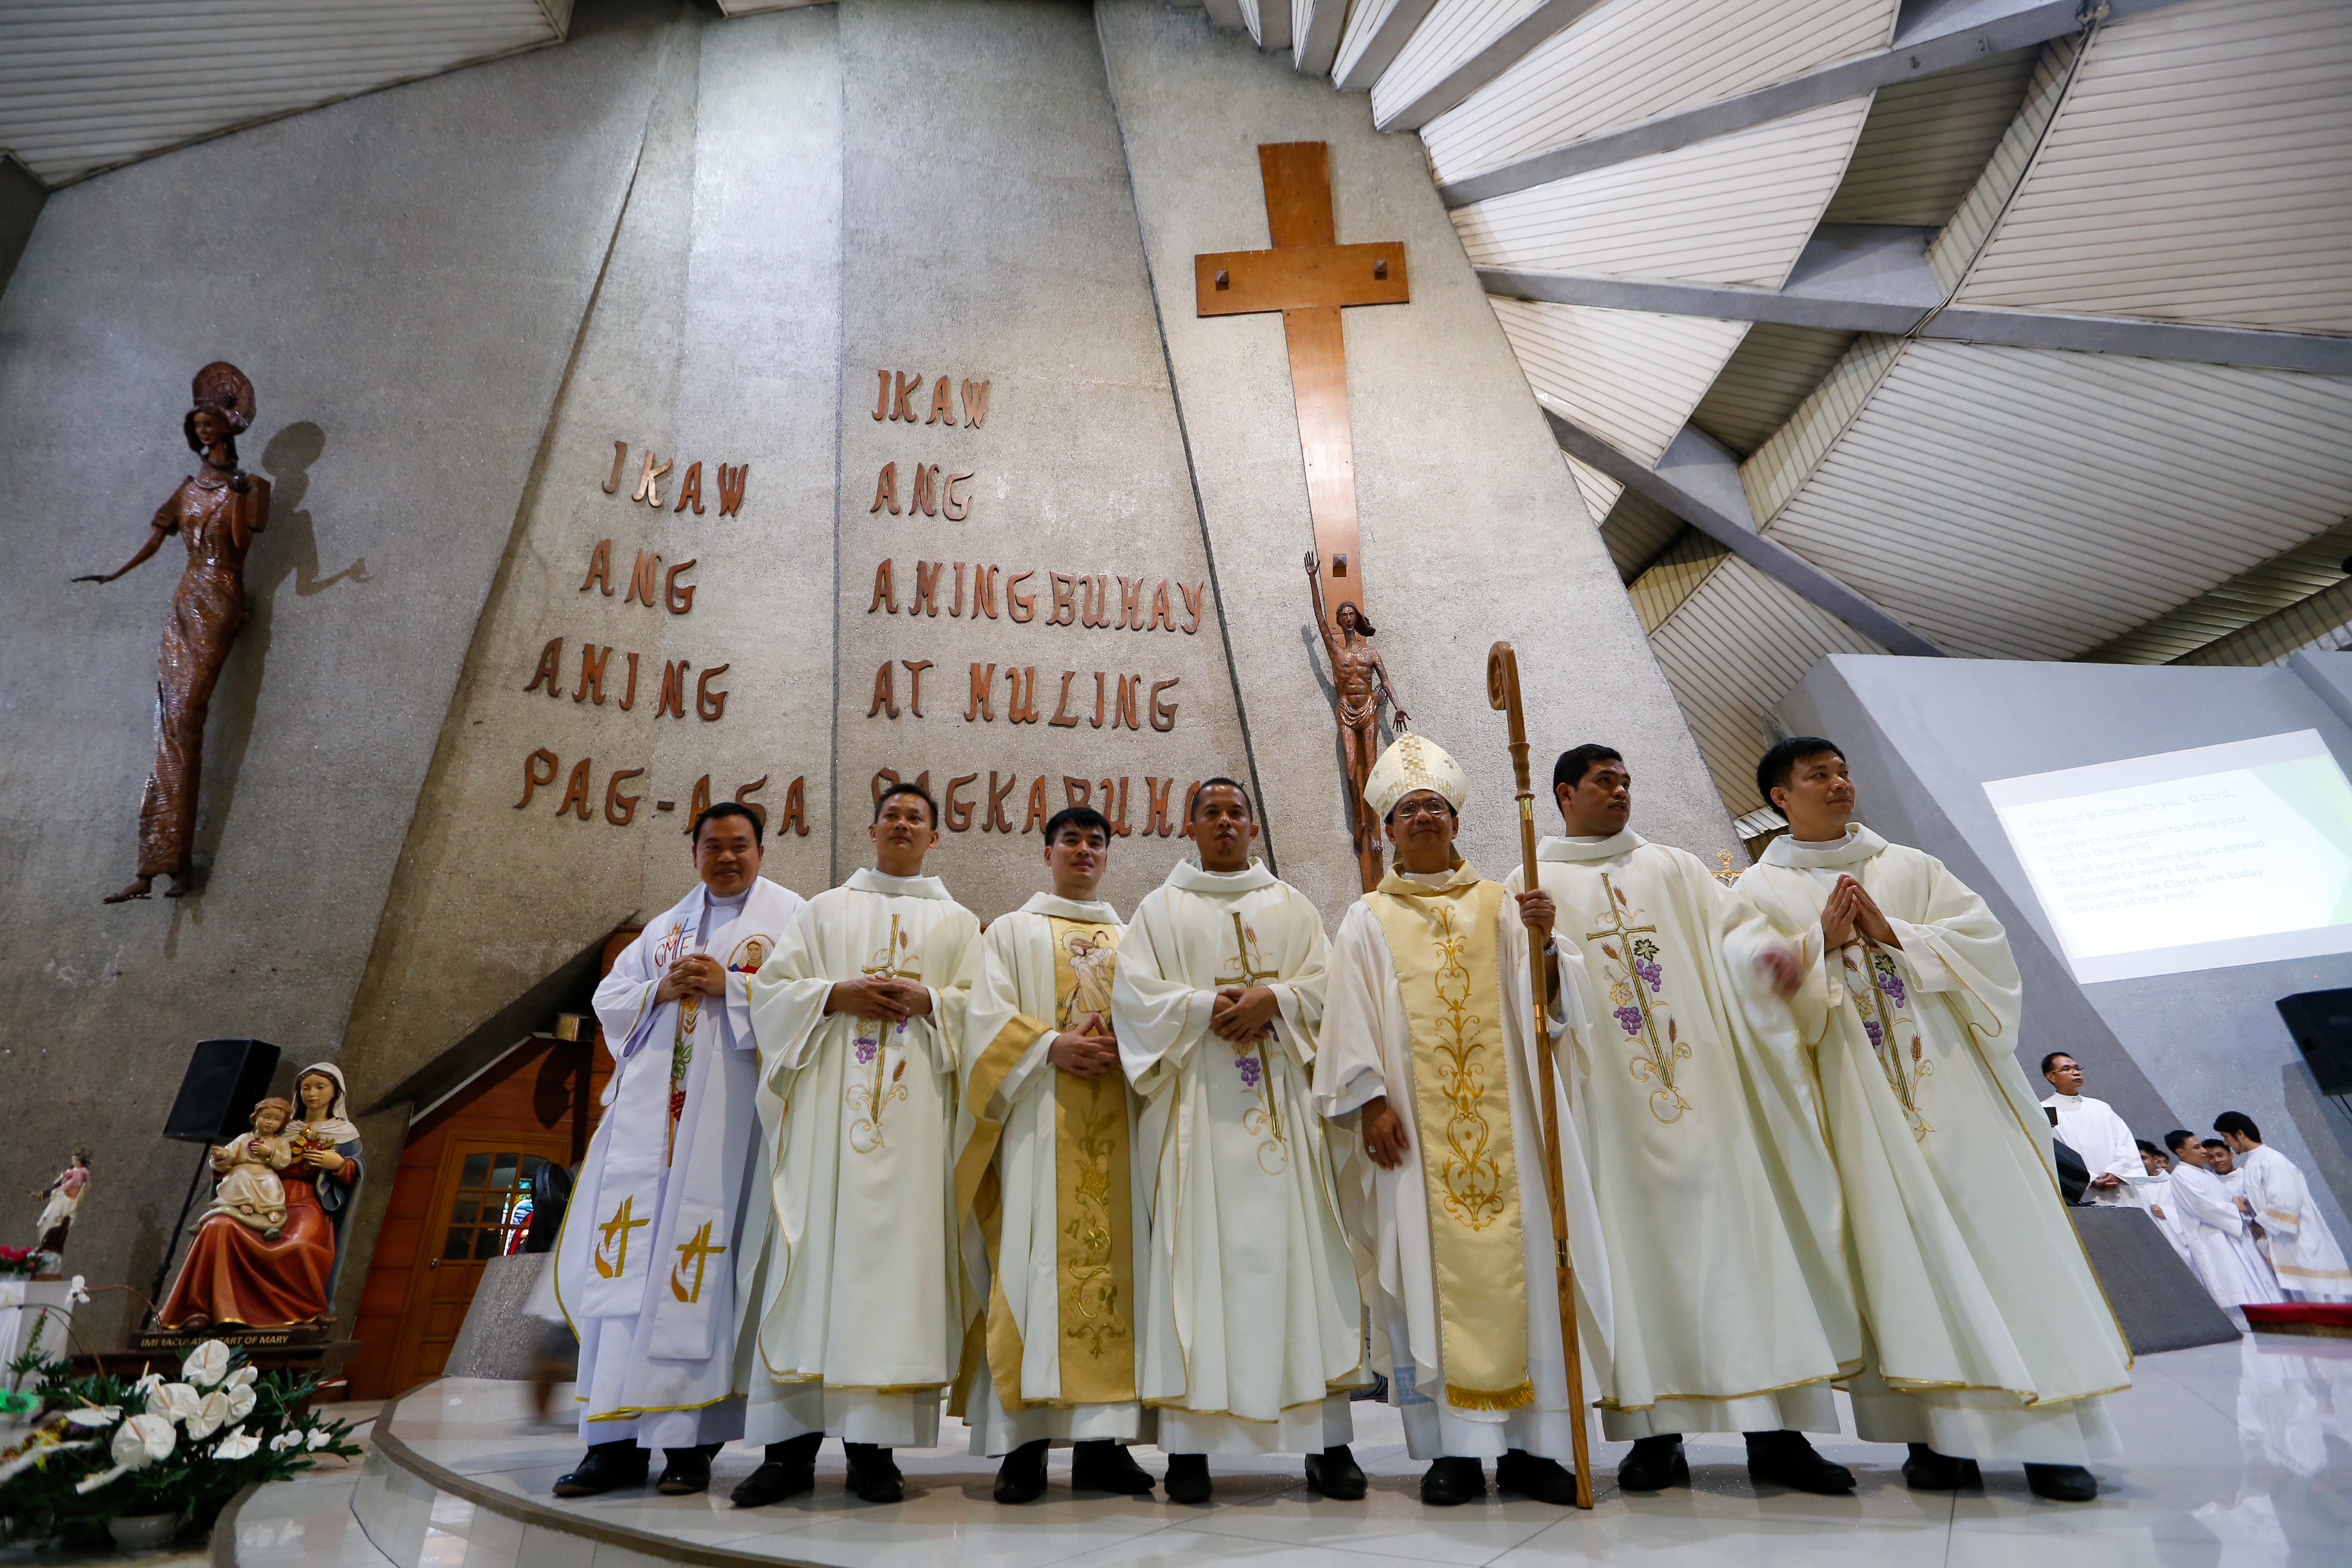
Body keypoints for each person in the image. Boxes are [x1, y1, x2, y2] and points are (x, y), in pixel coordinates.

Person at [1734, 738, 2129, 1503]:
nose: (1839, 782)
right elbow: (1754, 987)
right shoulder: (1753, 890)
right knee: (1902, 1258)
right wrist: (1816, 943)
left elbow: (1990, 952)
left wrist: (1893, 932)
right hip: (1858, 1108)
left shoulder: (1912, 867)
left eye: (1842, 770)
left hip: (1957, 1094)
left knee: (2008, 1244)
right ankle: (1938, 1440)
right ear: (1781, 796)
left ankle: (2052, 1439)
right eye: (1819, 775)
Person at [1503, 745, 1859, 1496]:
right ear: (1564, 792)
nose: (1622, 791)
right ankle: (1653, 1437)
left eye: (1628, 779)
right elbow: (1527, 995)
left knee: (1746, 1247)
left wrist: (1771, 957)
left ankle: (1779, 1434)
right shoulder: (1531, 882)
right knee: (1636, 1260)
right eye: (1605, 781)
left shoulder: (1676, 866)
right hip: (1610, 1108)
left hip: (1709, 1096)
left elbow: (1733, 931)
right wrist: (1539, 948)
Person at [1315, 735, 1610, 1507]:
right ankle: (1454, 1449)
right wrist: (1370, 1100)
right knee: (1423, 1272)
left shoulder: (1506, 904)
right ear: (1388, 829)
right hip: (1415, 1133)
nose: (1422, 815)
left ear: (1454, 822)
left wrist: (1546, 946)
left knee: (1535, 1281)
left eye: (1434, 805)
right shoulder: (1368, 918)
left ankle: (1535, 1449)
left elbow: (1549, 1010)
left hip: (1512, 1122)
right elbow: (1347, 1018)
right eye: (1408, 807)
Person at [1112, 778, 1367, 1504]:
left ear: (1253, 826)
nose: (1225, 822)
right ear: (1188, 827)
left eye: (1236, 812)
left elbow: (1330, 986)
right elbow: (1133, 997)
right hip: (1197, 1123)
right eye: (1211, 813)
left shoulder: (1290, 906)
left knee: (1302, 1263)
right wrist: (1201, 1006)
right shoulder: (1159, 910)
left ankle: (1327, 1441)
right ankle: (1191, 1447)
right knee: (1198, 1271)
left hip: (1283, 1116)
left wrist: (1276, 1000)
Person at [549, 803, 805, 1500]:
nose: (727, 857)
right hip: (645, 1142)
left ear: (761, 849)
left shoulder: (795, 919)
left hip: (728, 1140)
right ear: (694, 853)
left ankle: (690, 1447)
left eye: (740, 845)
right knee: (624, 1287)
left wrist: (737, 987)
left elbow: (814, 1001)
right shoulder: (663, 929)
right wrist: (663, 985)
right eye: (713, 846)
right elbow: (612, 997)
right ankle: (612, 1444)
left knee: (706, 1282)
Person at [737, 784, 981, 1506]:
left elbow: (988, 1012)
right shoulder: (823, 911)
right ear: (872, 828)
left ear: (935, 837)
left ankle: (874, 1454)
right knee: (813, 1267)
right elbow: (770, 994)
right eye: (893, 815)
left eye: (917, 818)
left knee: (890, 1286)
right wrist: (833, 994)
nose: (903, 825)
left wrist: (933, 999)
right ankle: (787, 1454)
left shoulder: (962, 922)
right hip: (827, 1135)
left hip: (915, 1139)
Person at [953, 805, 1157, 1503]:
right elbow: (983, 1021)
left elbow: (1160, 1020)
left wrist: (1126, 1049)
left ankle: (1104, 1448)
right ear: (1047, 852)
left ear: (1107, 857)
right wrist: (1050, 1045)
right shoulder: (1011, 931)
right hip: (1039, 1128)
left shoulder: (1137, 938)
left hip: (1119, 1126)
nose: (1083, 850)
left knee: (1119, 1279)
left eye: (1096, 842)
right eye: (1070, 839)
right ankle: (1024, 1447)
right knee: (1032, 1273)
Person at [73, 362, 271, 903]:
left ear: (227, 427)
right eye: (198, 426)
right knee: (169, 718)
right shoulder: (185, 489)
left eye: (211, 424)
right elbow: (157, 540)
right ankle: (160, 864)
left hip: (221, 594)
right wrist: (115, 573)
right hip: (186, 597)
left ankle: (171, 860)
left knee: (186, 716)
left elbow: (244, 543)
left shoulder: (251, 486)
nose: (204, 432)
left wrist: (240, 493)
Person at [157, 1062, 361, 1330]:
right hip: (257, 1196)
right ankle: (201, 1310)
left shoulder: (345, 1133)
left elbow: (356, 1172)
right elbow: (239, 1155)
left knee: (301, 1244)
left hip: (306, 1202)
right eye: (306, 1087)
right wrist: (224, 1162)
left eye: (320, 1087)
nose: (312, 1094)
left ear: (335, 1092)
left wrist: (338, 1163)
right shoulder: (281, 1126)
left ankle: (306, 1309)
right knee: (217, 1227)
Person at [1304, 550, 1409, 892]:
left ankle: (1374, 828)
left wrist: (1395, 705)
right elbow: (1320, 621)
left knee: (1373, 769)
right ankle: (1361, 823)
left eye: (1352, 614)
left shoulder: (1370, 653)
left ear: (1358, 618)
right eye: (1344, 615)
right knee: (1352, 770)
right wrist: (1312, 579)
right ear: (1341, 621)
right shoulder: (1336, 652)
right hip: (1346, 712)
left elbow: (1387, 680)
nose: (1348, 618)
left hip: (1369, 711)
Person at [2216, 1113, 2351, 1302]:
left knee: (2323, 1301)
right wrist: (2246, 1202)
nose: (2227, 1143)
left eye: (2226, 1137)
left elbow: (2285, 1203)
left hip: (2300, 1242)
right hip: (2285, 1243)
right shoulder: (2255, 1161)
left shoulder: (2272, 1160)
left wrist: (2258, 1223)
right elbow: (2265, 1195)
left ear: (2240, 1134)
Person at [2164, 1130, 2278, 1310]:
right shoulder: (2181, 1175)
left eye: (2201, 1145)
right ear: (2180, 1152)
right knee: (2236, 1286)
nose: (2204, 1151)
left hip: (2231, 1234)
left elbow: (2225, 1201)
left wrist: (2238, 1204)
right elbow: (2204, 1207)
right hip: (2214, 1241)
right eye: (2197, 1147)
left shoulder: (2206, 1174)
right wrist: (2235, 1208)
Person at [2038, 1055, 2139, 1206]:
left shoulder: (2100, 1107)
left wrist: (2117, 1172)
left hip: (2119, 1187)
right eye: (2067, 1069)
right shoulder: (2044, 1111)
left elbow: (2124, 1141)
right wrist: (2089, 1178)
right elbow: (2054, 1153)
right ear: (2051, 1077)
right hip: (2083, 1191)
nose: (2076, 1072)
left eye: (2077, 1068)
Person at [208, 1099, 297, 1239]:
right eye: (266, 1117)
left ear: (282, 1124)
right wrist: (223, 1155)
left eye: (277, 1119)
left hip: (265, 1171)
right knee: (241, 1176)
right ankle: (245, 1203)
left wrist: (269, 1152)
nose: (270, 1122)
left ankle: (272, 1210)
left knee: (271, 1182)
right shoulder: (244, 1138)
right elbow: (230, 1154)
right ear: (256, 1117)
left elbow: (284, 1161)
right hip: (242, 1170)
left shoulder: (280, 1142)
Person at [2132, 1141, 2193, 1264]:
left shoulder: (2175, 1183)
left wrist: (2167, 1213)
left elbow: (2193, 1214)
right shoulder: (2131, 1188)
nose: (2140, 1163)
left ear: (2155, 1159)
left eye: (2143, 1158)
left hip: (2181, 1243)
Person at [33, 1153, 90, 1258]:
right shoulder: (69, 1173)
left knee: (59, 1223)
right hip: (60, 1198)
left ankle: (50, 1246)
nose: (74, 1162)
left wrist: (77, 1189)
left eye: (76, 1160)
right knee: (45, 1221)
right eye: (73, 1160)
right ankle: (45, 1244)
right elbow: (57, 1186)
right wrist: (43, 1194)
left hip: (69, 1202)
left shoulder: (83, 1176)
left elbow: (84, 1186)